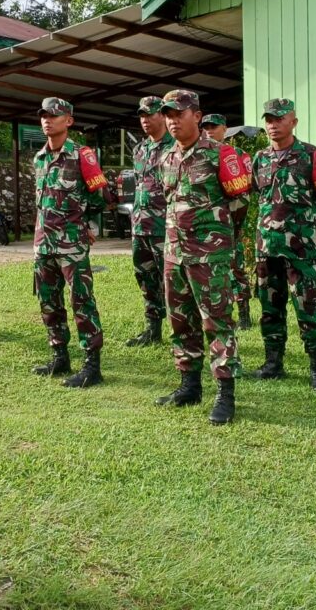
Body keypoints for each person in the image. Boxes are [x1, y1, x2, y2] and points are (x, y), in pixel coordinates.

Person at [155, 91, 250, 424]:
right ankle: (189, 384)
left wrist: (220, 241)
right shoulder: (166, 157)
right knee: (180, 320)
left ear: (197, 115)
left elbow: (239, 204)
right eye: (168, 114)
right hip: (174, 254)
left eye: (178, 113)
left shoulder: (221, 154)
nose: (172, 120)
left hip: (210, 254)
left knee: (217, 322)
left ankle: (225, 393)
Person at [251, 99, 316, 388]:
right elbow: (259, 197)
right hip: (266, 247)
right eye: (269, 120)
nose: (273, 125)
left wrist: (304, 224)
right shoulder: (260, 158)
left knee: (307, 306)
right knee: (269, 306)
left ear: (294, 122)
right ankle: (273, 362)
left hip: (301, 248)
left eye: (279, 119)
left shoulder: (312, 155)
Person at [30, 97, 108, 387]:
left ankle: (92, 365)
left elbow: (98, 196)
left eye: (53, 115)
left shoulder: (81, 155)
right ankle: (59, 356)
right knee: (48, 301)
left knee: (81, 301)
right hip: (43, 243)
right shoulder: (39, 158)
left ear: (69, 121)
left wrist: (84, 223)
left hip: (71, 244)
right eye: (43, 115)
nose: (47, 120)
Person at [127, 96, 175, 347]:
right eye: (142, 115)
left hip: (165, 227)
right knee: (145, 279)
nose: (145, 120)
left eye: (150, 114)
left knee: (174, 283)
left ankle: (183, 332)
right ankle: (152, 328)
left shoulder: (175, 147)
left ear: (163, 116)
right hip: (141, 226)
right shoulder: (139, 149)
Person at [199, 113, 254, 330]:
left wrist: (233, 224)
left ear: (225, 129)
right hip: (206, 226)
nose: (209, 131)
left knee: (236, 267)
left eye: (214, 127)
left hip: (230, 224)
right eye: (206, 127)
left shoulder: (239, 155)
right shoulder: (199, 154)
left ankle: (244, 313)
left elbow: (244, 195)